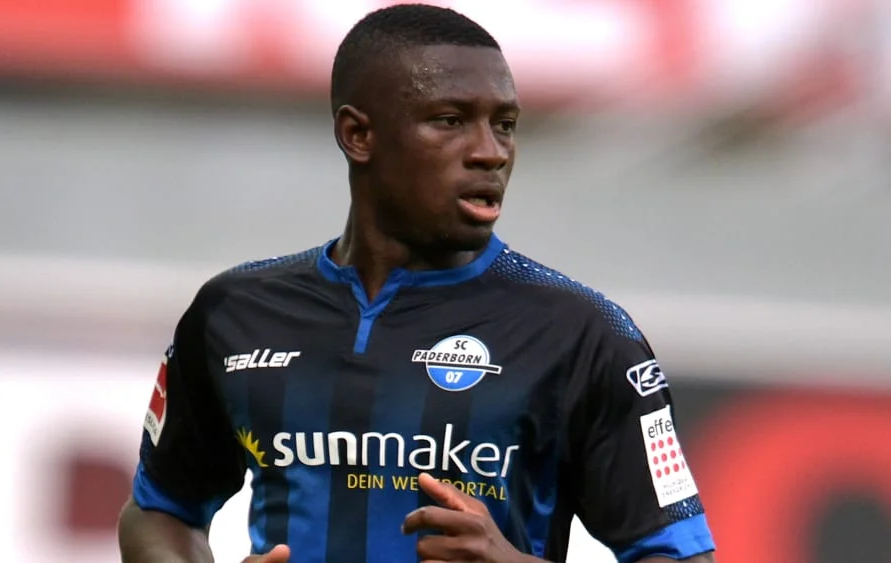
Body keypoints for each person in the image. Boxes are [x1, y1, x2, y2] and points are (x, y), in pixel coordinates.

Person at [117, 4, 716, 562]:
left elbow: (684, 554)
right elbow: (157, 511)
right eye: (451, 121)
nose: (491, 153)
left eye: (505, 125)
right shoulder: (235, 313)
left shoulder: (583, 335)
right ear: (358, 135)